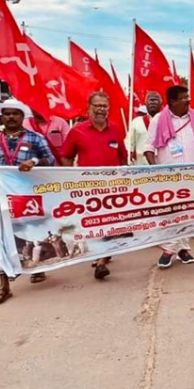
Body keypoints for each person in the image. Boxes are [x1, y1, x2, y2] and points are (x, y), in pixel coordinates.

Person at [0, 99, 56, 305]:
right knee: (2, 242)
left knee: (33, 235)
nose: (10, 117)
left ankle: (37, 269)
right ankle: (4, 285)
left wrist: (34, 162)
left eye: (15, 113)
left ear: (21, 116)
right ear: (2, 117)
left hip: (28, 199)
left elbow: (50, 159)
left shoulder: (35, 138)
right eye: (7, 113)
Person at [144, 85, 194, 269]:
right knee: (170, 213)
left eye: (188, 96)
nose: (188, 100)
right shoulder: (158, 120)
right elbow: (149, 148)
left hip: (193, 177)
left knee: (188, 213)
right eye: (184, 98)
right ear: (173, 102)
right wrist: (156, 171)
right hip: (167, 178)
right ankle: (169, 249)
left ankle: (182, 248)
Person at [60, 92, 128, 280]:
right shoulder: (77, 131)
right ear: (89, 107)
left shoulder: (116, 129)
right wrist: (70, 178)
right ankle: (100, 259)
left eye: (104, 106)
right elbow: (66, 156)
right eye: (97, 106)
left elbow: (122, 156)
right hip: (87, 188)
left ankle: (101, 258)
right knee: (93, 222)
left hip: (112, 188)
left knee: (110, 223)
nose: (101, 109)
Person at [128, 92, 163, 165]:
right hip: (141, 166)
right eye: (150, 100)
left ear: (161, 103)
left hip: (163, 166)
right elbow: (129, 146)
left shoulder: (167, 121)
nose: (152, 102)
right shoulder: (136, 122)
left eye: (155, 100)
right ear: (145, 103)